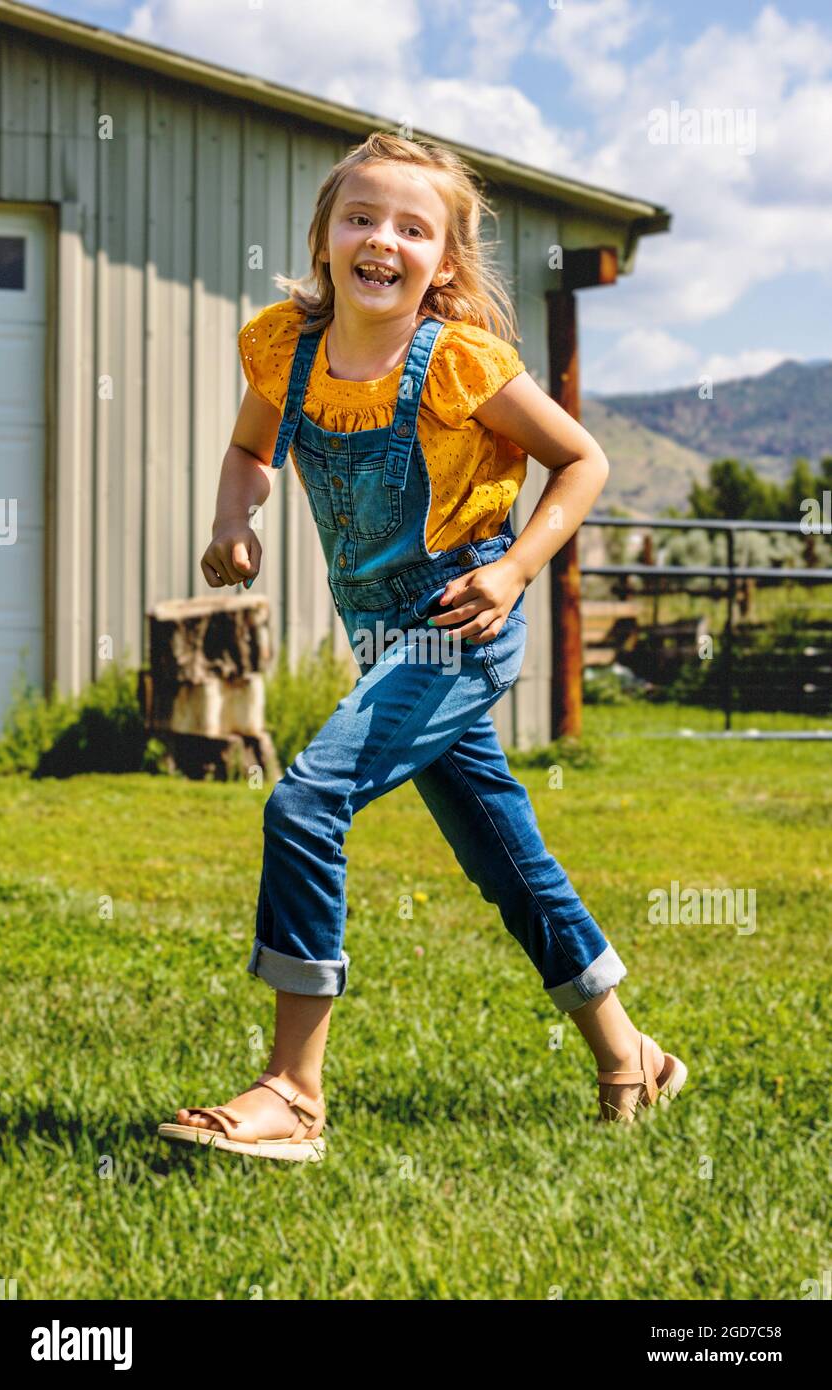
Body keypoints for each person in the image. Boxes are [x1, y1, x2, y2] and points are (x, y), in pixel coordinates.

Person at [157, 131, 687, 1162]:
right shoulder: (284, 348)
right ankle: (632, 1059)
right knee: (505, 857)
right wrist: (235, 520)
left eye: (412, 227)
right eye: (360, 218)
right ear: (324, 237)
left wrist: (515, 567)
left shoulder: (460, 364)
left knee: (305, 800)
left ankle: (291, 1094)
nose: (381, 240)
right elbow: (247, 448)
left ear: (443, 260)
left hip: (458, 629)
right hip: (379, 639)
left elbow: (580, 461)